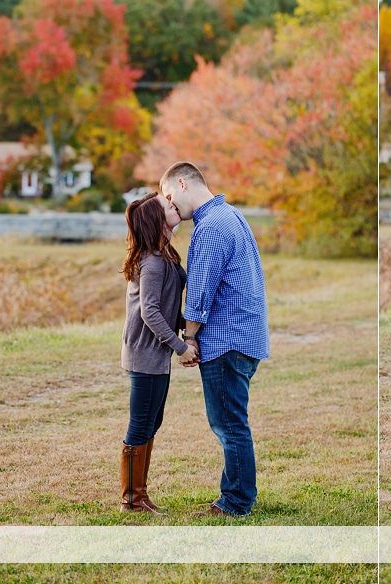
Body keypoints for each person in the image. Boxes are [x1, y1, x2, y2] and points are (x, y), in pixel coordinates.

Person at [160, 161, 270, 517]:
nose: (170, 206)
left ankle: (236, 503)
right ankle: (241, 494)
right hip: (246, 336)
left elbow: (200, 295)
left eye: (169, 197)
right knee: (232, 420)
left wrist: (187, 340)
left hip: (226, 340)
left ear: (181, 183)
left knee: (228, 424)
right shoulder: (231, 214)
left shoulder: (209, 228)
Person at [120, 191, 198, 513]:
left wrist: (189, 329)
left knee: (153, 423)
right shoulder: (152, 263)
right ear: (157, 219)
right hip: (145, 355)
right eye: (167, 206)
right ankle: (132, 500)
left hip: (156, 354)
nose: (173, 206)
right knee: (140, 425)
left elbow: (165, 308)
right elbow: (150, 313)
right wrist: (181, 346)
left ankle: (140, 493)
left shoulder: (163, 255)